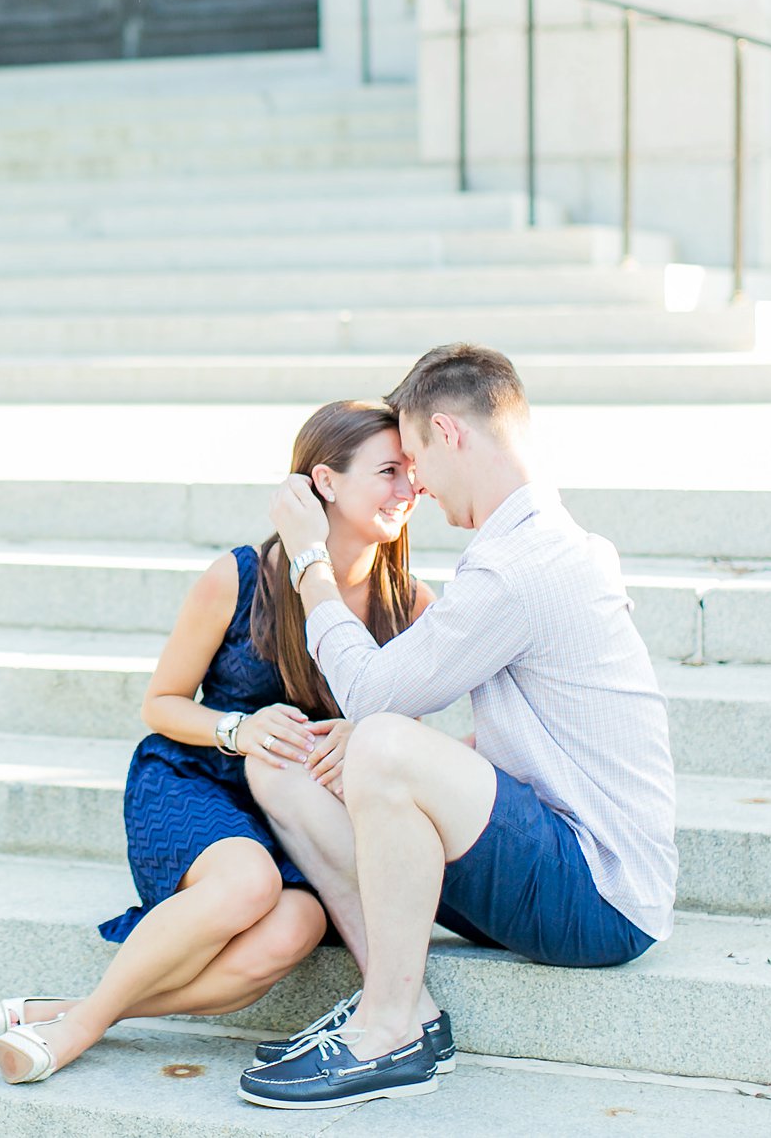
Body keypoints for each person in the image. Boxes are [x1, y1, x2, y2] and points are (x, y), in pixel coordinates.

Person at [238, 344, 678, 1110]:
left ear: (449, 432)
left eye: (414, 457)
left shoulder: (523, 564)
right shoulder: (526, 547)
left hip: (600, 892)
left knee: (375, 737)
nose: (417, 485)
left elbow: (373, 695)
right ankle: (406, 1003)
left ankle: (388, 1033)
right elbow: (538, 747)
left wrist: (307, 559)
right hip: (550, 850)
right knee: (284, 766)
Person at [0, 399, 433, 1084]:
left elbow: (409, 736)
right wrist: (238, 728)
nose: (408, 491)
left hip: (304, 808)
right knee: (248, 883)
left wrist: (360, 731)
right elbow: (159, 703)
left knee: (296, 928)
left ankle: (72, 1010)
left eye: (414, 474)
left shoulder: (411, 602)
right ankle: (76, 1027)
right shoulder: (240, 576)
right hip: (200, 775)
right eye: (389, 470)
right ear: (326, 481)